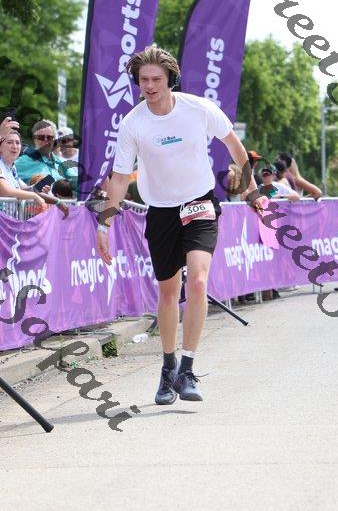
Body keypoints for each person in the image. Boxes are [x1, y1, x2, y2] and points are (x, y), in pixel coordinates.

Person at [96, 46, 266, 405]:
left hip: (199, 203)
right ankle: (168, 367)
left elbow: (235, 147)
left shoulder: (199, 109)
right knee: (168, 291)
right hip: (160, 211)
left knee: (199, 281)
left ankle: (187, 369)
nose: (149, 86)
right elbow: (120, 177)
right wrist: (104, 225)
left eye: (156, 79)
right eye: (143, 80)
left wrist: (251, 190)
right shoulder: (133, 124)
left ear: (170, 79)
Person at [0, 131, 69, 217]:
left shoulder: (12, 168)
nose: (14, 146)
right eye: (9, 142)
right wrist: (34, 196)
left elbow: (25, 189)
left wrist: (37, 188)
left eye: (17, 143)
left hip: (9, 219)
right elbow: (5, 190)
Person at [15, 119, 77, 191]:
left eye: (49, 137)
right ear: (34, 139)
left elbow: (77, 184)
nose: (45, 140)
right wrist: (30, 183)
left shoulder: (63, 164)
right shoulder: (21, 162)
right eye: (41, 137)